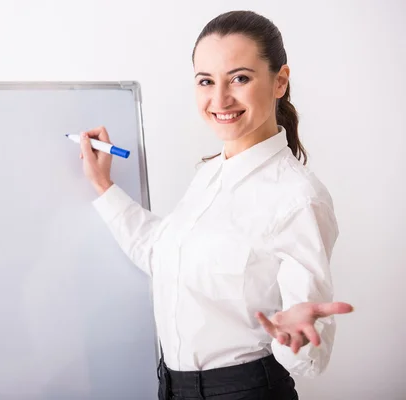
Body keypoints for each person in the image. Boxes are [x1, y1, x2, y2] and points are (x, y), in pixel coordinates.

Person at [78, 10, 353, 400]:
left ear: (280, 82)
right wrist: (104, 186)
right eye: (206, 81)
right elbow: (160, 254)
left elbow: (311, 357)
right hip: (172, 389)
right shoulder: (209, 175)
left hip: (245, 391)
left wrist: (298, 337)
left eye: (240, 78)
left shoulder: (297, 197)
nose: (220, 98)